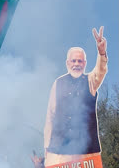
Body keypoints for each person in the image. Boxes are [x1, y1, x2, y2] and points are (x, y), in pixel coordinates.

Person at [44, 26, 108, 167]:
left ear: (85, 64)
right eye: (74, 61)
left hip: (88, 153)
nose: (77, 64)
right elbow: (51, 115)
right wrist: (47, 147)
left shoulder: (91, 81)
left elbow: (100, 71)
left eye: (80, 61)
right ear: (68, 63)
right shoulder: (58, 83)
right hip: (59, 152)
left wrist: (101, 53)